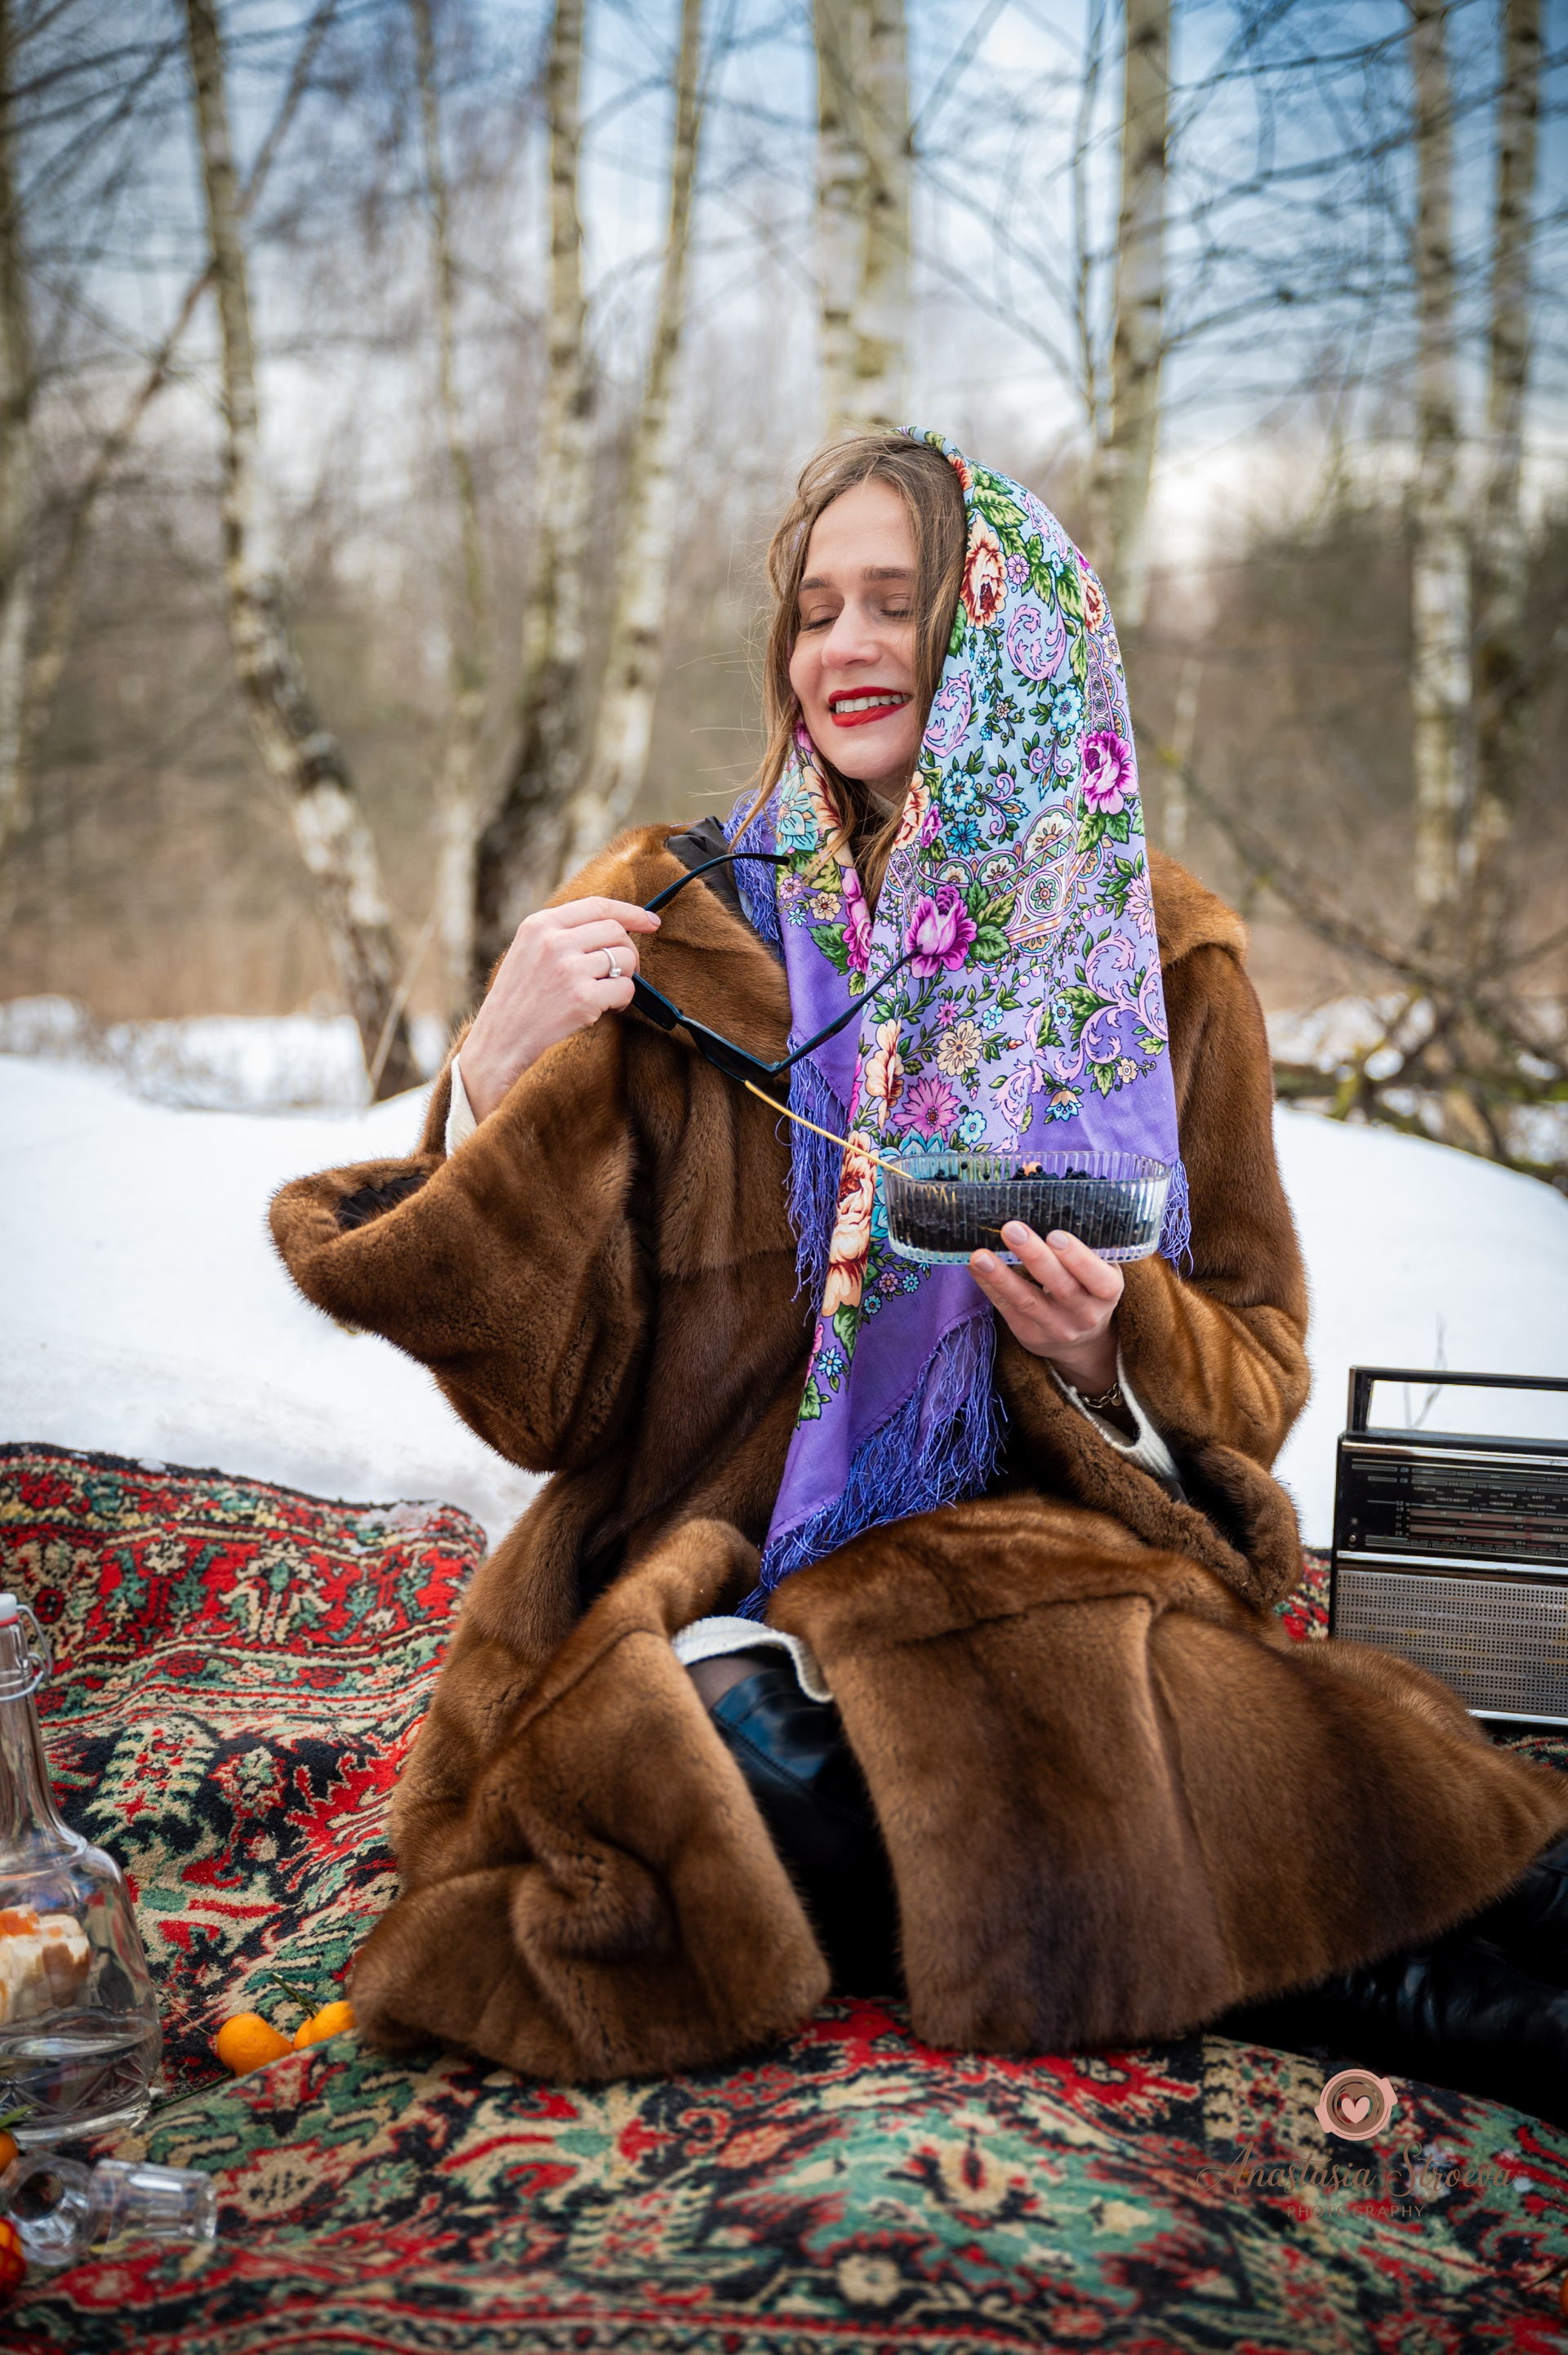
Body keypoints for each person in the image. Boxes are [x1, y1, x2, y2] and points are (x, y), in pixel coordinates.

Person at [270, 430, 1568, 2104]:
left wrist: (1109, 1350)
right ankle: (1409, 1986)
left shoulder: (1157, 958)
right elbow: (547, 1405)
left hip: (1050, 1557)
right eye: (816, 611)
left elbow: (1256, 1365)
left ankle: (1474, 1949)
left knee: (1134, 1710)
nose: (847, 647)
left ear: (1003, 636)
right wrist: (490, 1084)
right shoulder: (676, 923)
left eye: (898, 602)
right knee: (718, 1735)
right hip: (724, 1571)